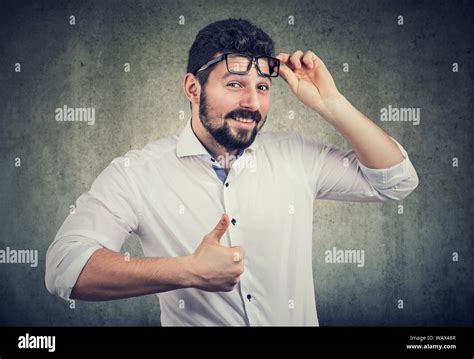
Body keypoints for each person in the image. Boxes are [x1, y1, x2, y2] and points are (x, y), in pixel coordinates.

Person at [45, 18, 419, 326]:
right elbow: (64, 266)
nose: (252, 103)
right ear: (193, 88)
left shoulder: (299, 157)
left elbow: (397, 180)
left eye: (262, 87)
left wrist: (331, 104)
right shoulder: (136, 174)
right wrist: (187, 270)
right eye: (235, 84)